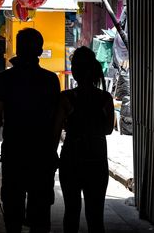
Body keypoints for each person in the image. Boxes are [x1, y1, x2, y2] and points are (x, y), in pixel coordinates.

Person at [0, 28, 60, 233]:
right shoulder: (50, 80)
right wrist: (53, 151)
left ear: (17, 49)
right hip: (42, 153)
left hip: (14, 152)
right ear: (40, 50)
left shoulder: (3, 80)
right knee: (40, 213)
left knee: (13, 210)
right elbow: (56, 121)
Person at [53, 46, 114, 233]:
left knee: (71, 212)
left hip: (72, 157)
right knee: (96, 216)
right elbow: (108, 130)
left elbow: (55, 132)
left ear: (76, 72)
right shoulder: (105, 98)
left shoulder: (66, 98)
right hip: (97, 158)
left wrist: (52, 155)